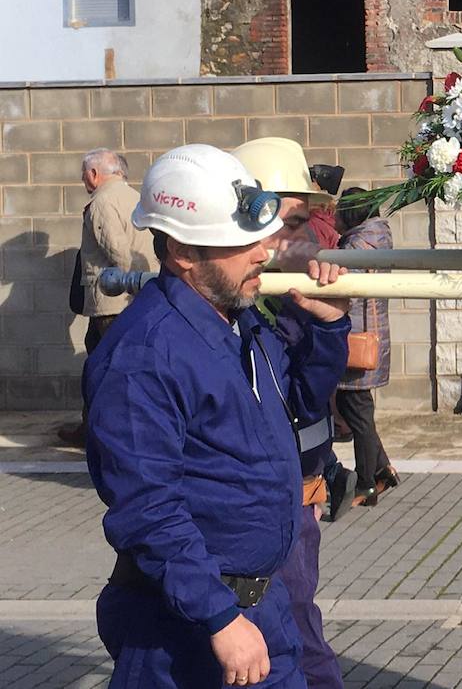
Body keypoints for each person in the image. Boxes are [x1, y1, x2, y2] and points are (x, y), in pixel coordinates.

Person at [84, 144, 350, 689]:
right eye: (241, 243)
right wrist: (221, 618)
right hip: (185, 627)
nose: (262, 254)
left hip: (261, 606)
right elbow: (147, 507)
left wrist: (326, 328)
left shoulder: (239, 326)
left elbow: (299, 402)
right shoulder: (144, 356)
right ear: (182, 250)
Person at [232, 137, 353, 689]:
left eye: (304, 222)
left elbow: (306, 397)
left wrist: (328, 324)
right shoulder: (226, 308)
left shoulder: (287, 297)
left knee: (299, 629)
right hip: (244, 510)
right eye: (290, 221)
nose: (302, 238)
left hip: (295, 496)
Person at [59, 149, 155, 447]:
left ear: (94, 174)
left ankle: (98, 432)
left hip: (113, 301)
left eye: (84, 173)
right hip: (140, 295)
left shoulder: (101, 201)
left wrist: (125, 282)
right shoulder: (136, 198)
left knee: (102, 368)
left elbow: (118, 250)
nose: (83, 179)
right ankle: (97, 427)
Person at [334, 188, 401, 506]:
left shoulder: (357, 243)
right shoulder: (379, 236)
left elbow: (344, 286)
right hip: (373, 333)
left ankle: (367, 485)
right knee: (359, 410)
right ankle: (382, 469)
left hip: (356, 338)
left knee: (358, 413)